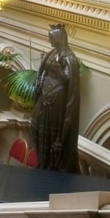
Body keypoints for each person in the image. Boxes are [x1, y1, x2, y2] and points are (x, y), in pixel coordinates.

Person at [30, 24, 81, 174]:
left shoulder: (69, 59)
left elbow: (69, 80)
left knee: (52, 135)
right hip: (44, 98)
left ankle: (49, 165)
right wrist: (39, 82)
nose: (49, 40)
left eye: (51, 37)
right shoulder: (52, 53)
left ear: (58, 38)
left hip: (57, 102)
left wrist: (58, 70)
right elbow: (43, 72)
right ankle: (42, 162)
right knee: (36, 129)